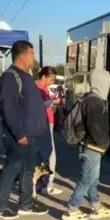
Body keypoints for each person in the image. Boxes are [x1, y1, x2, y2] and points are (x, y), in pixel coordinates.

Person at [0, 41, 49, 220]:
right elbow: (9, 108)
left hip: (32, 134)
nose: (34, 57)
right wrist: (19, 134)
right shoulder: (10, 77)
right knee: (12, 169)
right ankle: (0, 206)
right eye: (32, 54)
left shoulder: (26, 76)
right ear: (22, 56)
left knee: (27, 170)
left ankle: (26, 203)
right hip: (21, 135)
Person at [62, 69, 110, 220]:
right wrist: (104, 144)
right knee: (87, 179)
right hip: (92, 147)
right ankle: (72, 208)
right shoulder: (95, 102)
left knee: (92, 178)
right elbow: (95, 127)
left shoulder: (88, 98)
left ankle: (96, 205)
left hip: (88, 146)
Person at [35, 66, 63, 196]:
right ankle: (48, 184)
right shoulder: (38, 88)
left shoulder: (41, 87)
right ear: (44, 76)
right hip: (45, 122)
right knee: (50, 153)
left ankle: (40, 183)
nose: (51, 82)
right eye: (51, 80)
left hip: (45, 121)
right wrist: (52, 101)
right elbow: (40, 104)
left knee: (41, 153)